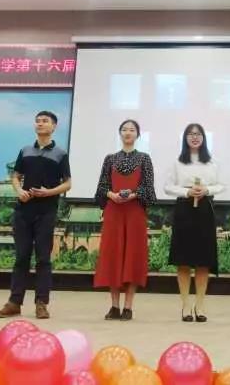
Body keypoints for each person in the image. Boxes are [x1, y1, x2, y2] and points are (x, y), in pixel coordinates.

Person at [0, 111, 71, 320]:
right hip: (24, 210)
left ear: (54, 126)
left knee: (43, 259)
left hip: (46, 211)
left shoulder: (60, 154)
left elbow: (68, 183)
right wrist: (19, 190)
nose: (40, 124)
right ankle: (14, 302)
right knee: (21, 257)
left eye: (45, 121)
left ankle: (41, 303)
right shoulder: (25, 151)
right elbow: (16, 177)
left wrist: (49, 192)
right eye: (37, 121)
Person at [94, 119, 156, 321]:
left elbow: (149, 189)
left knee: (133, 256)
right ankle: (114, 306)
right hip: (114, 212)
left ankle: (128, 307)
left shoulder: (144, 159)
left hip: (135, 212)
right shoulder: (110, 159)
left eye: (132, 130)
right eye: (124, 130)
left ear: (138, 135)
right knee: (113, 255)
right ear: (120, 134)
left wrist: (134, 194)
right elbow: (102, 187)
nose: (128, 133)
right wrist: (111, 195)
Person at [164, 123, 225, 322]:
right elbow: (167, 187)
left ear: (203, 138)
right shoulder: (177, 162)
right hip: (184, 210)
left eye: (198, 134)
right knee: (183, 260)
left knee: (203, 261)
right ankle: (185, 305)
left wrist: (207, 190)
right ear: (185, 138)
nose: (194, 137)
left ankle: (200, 305)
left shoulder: (212, 163)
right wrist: (186, 191)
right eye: (190, 134)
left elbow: (221, 185)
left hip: (205, 210)